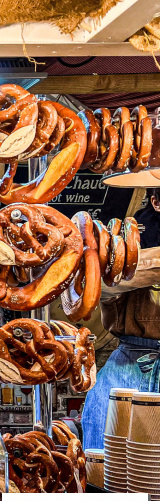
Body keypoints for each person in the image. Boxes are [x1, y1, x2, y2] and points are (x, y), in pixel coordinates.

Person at [81, 188, 160, 450]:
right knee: (103, 456)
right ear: (156, 202)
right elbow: (98, 290)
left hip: (128, 362)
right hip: (129, 365)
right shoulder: (124, 245)